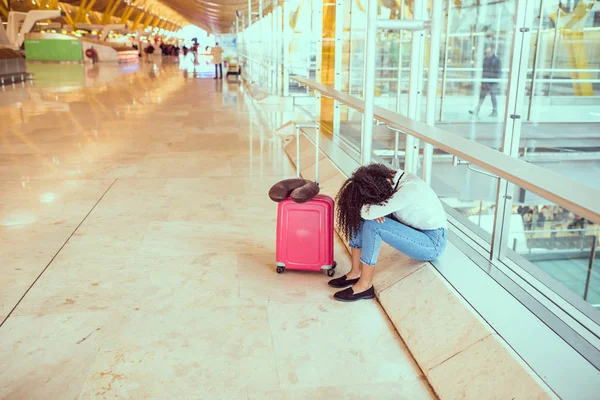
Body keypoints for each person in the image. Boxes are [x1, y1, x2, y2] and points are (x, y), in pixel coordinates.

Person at [329, 164, 448, 302]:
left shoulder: (409, 190)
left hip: (431, 242)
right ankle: (355, 272)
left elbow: (370, 213)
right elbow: (364, 210)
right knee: (361, 215)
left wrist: (372, 210)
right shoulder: (391, 178)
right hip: (410, 226)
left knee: (374, 224)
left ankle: (365, 285)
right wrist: (371, 209)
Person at [470, 47, 501, 117]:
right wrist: (483, 81)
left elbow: (498, 72)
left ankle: (495, 111)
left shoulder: (497, 60)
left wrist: (493, 80)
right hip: (486, 81)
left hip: (493, 82)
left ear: (492, 52)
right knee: (482, 96)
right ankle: (477, 110)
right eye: (487, 52)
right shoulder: (485, 60)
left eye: (489, 52)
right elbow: (484, 71)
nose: (488, 54)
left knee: (493, 96)